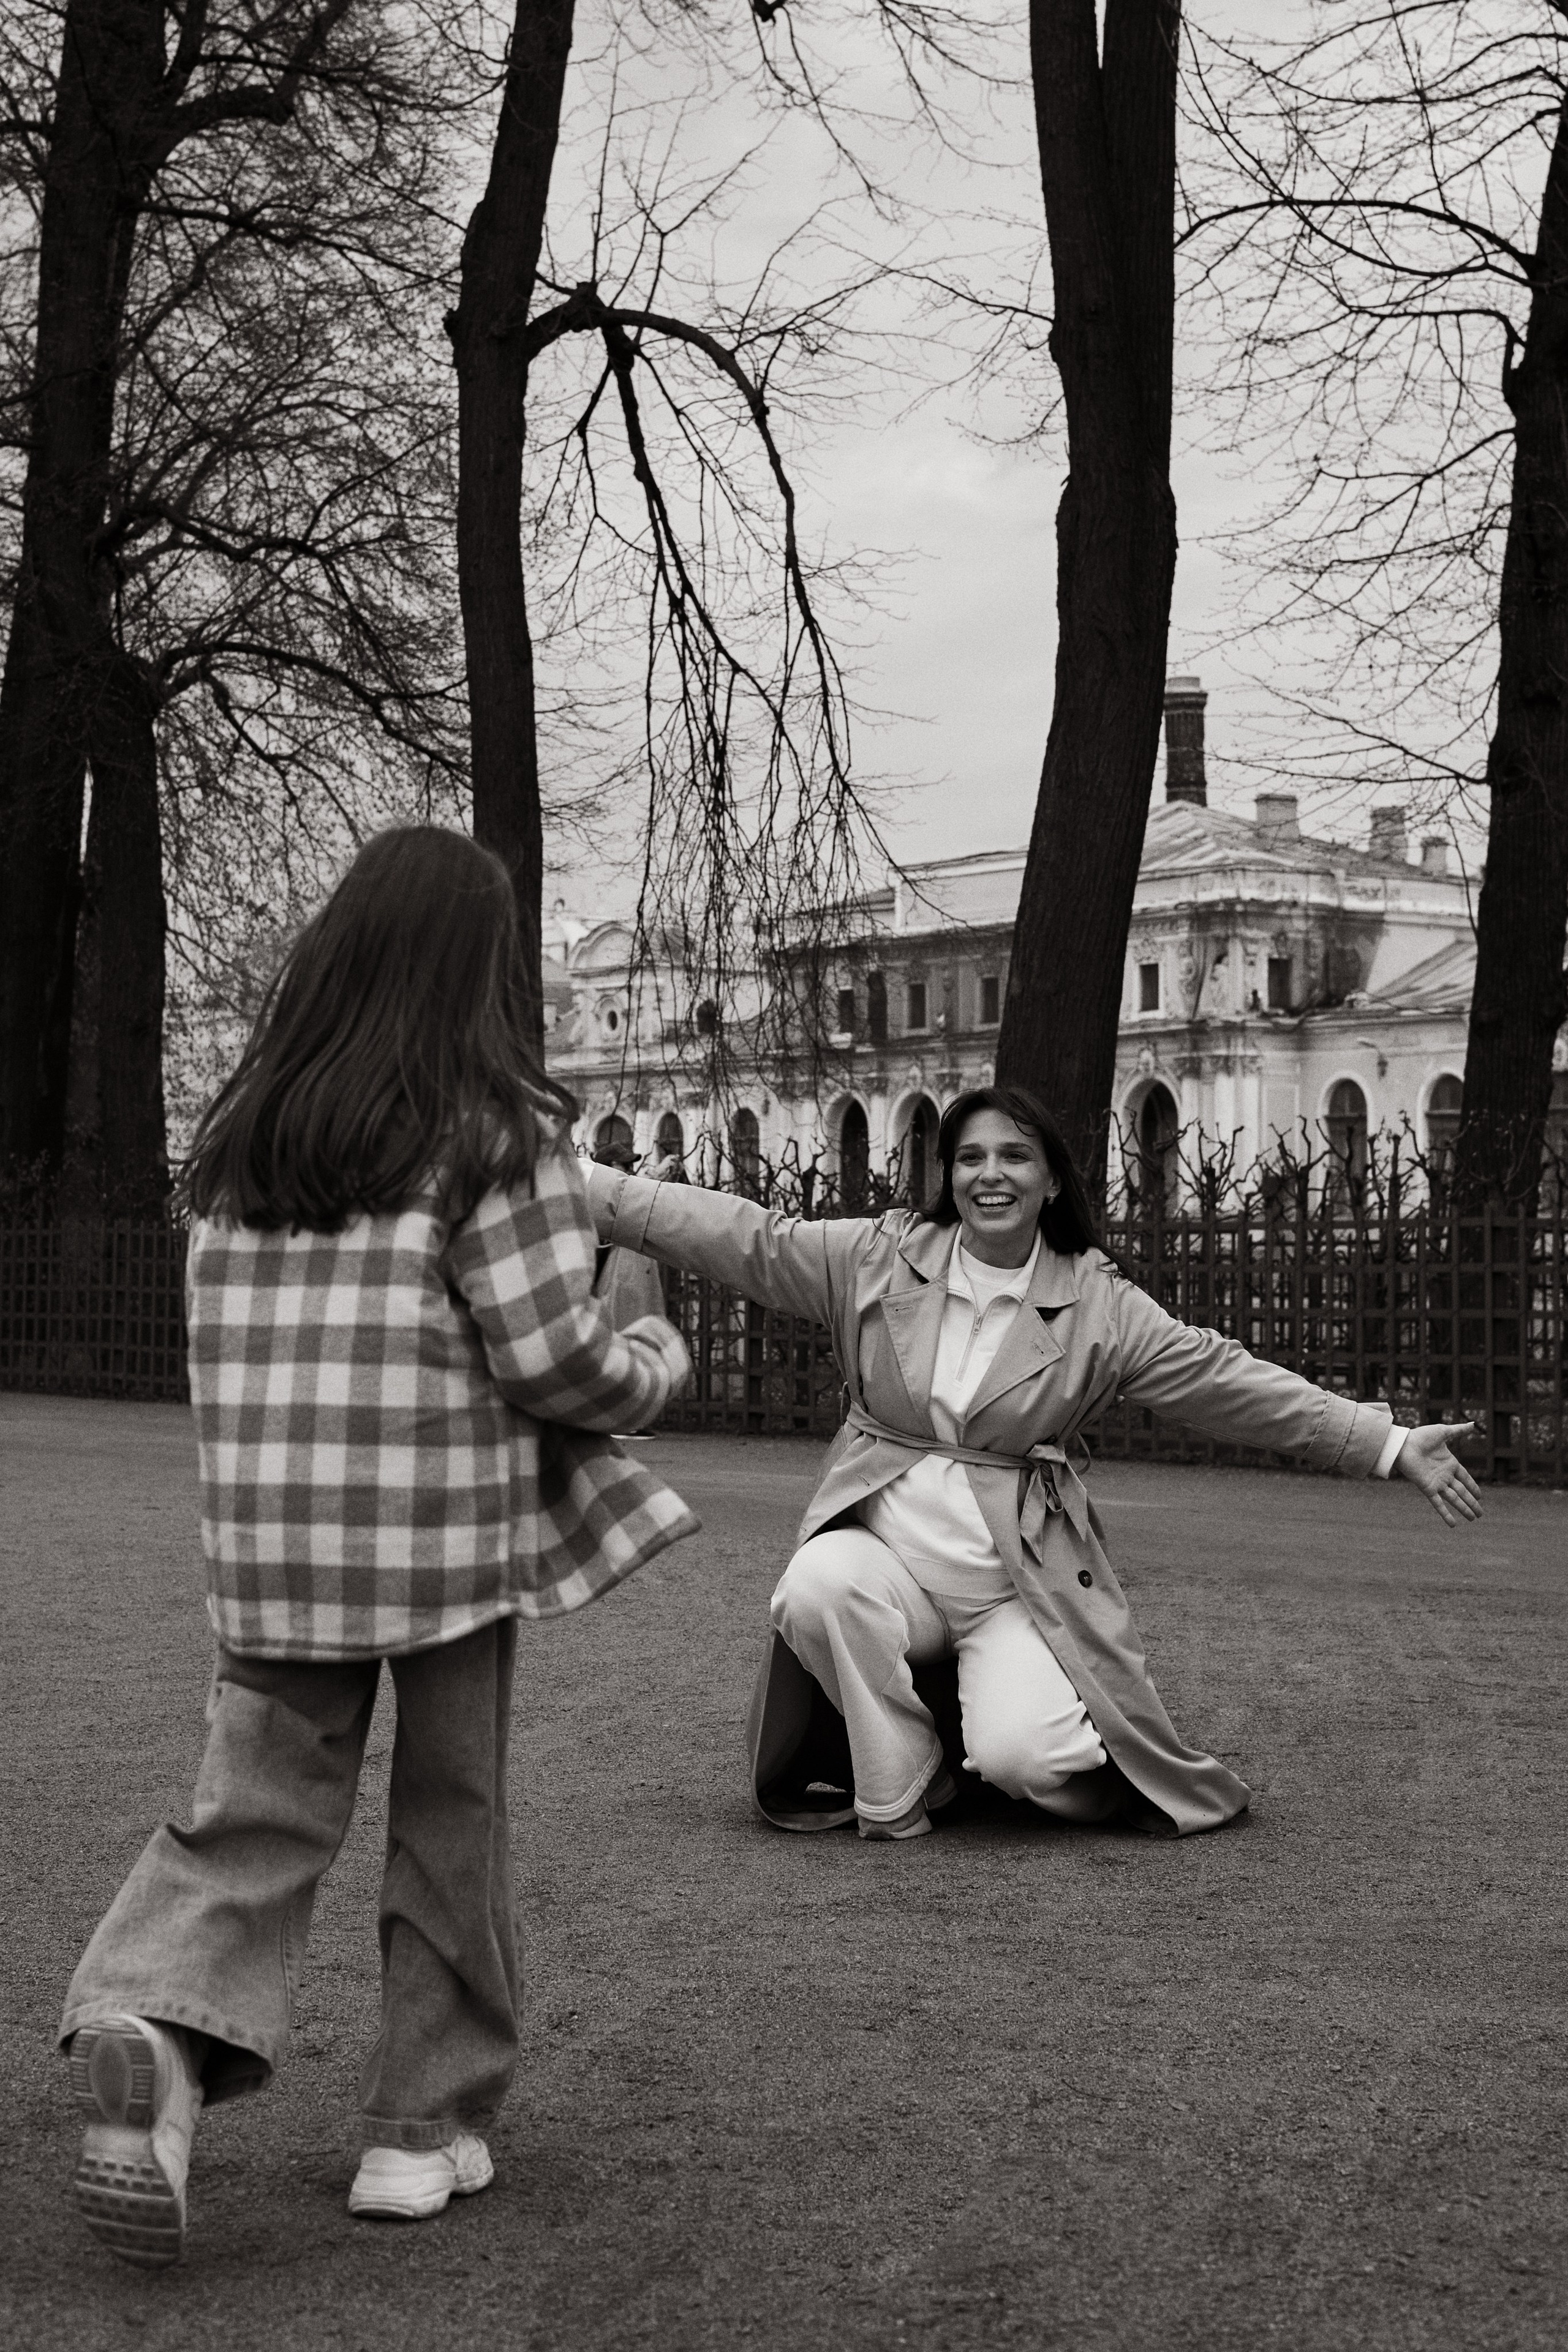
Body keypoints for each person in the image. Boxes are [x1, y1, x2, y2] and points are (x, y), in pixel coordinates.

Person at [59, 828, 696, 2267]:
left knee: (255, 1813)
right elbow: (553, 1362)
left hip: (275, 1544)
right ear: (477, 970)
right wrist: (657, 1350)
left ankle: (152, 2033)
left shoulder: (245, 1138)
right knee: (449, 1817)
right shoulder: (493, 1133)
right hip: (439, 1543)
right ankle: (418, 2130)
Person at [587, 1085, 1479, 1843]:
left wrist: (1389, 1445)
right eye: (969, 1157)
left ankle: (1003, 1755)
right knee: (814, 1585)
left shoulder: (1100, 1306)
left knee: (1032, 1761)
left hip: (1015, 1583)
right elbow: (735, 1233)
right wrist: (586, 1189)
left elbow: (1224, 1378)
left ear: (1051, 1179)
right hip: (887, 1561)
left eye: (1014, 1156)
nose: (989, 1175)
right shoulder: (875, 1258)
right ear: (949, 1177)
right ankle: (903, 1779)